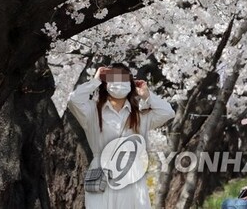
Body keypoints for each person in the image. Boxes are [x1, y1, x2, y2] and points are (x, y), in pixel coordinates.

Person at [68, 63, 175, 209]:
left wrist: (147, 95)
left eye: (124, 79)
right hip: (101, 172)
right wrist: (95, 80)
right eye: (114, 79)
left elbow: (167, 112)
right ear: (106, 84)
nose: (119, 84)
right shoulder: (92, 111)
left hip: (131, 172)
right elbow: (74, 100)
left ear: (130, 84)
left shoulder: (140, 115)